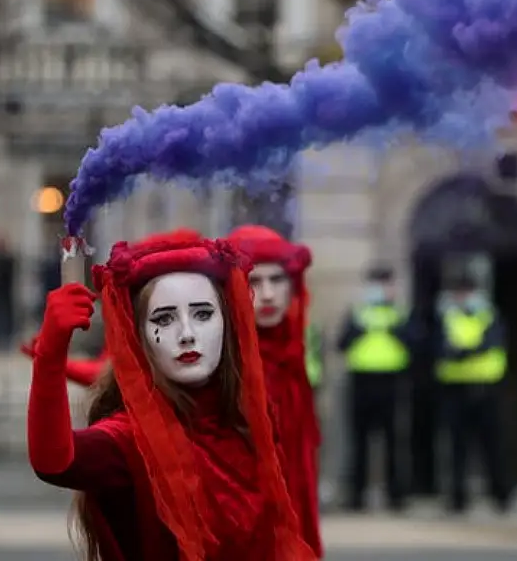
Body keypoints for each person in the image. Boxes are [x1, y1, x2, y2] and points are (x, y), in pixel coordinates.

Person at [26, 229, 314, 561]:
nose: (187, 334)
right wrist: (51, 356)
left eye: (203, 314)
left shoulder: (247, 422)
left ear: (228, 322)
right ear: (140, 336)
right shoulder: (130, 441)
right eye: (164, 318)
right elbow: (54, 462)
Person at [229, 225, 322, 559]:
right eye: (254, 281)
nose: (267, 294)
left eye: (277, 280)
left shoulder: (292, 351)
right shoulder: (223, 363)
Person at [336, 265, 410, 511]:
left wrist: (394, 331)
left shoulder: (401, 313)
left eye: (385, 284)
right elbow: (341, 344)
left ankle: (395, 495)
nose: (381, 290)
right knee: (358, 441)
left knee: (392, 440)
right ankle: (356, 496)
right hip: (361, 380)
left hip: (391, 380)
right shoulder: (357, 312)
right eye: (376, 284)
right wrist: (360, 329)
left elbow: (415, 344)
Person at [435, 275, 509, 514]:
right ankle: (457, 498)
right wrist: (463, 352)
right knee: (457, 447)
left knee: (492, 445)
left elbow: (491, 343)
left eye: (467, 292)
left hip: (486, 388)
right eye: (460, 293)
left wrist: (462, 352)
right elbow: (437, 346)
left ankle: (500, 495)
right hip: (455, 389)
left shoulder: (490, 316)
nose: (463, 298)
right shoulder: (446, 317)